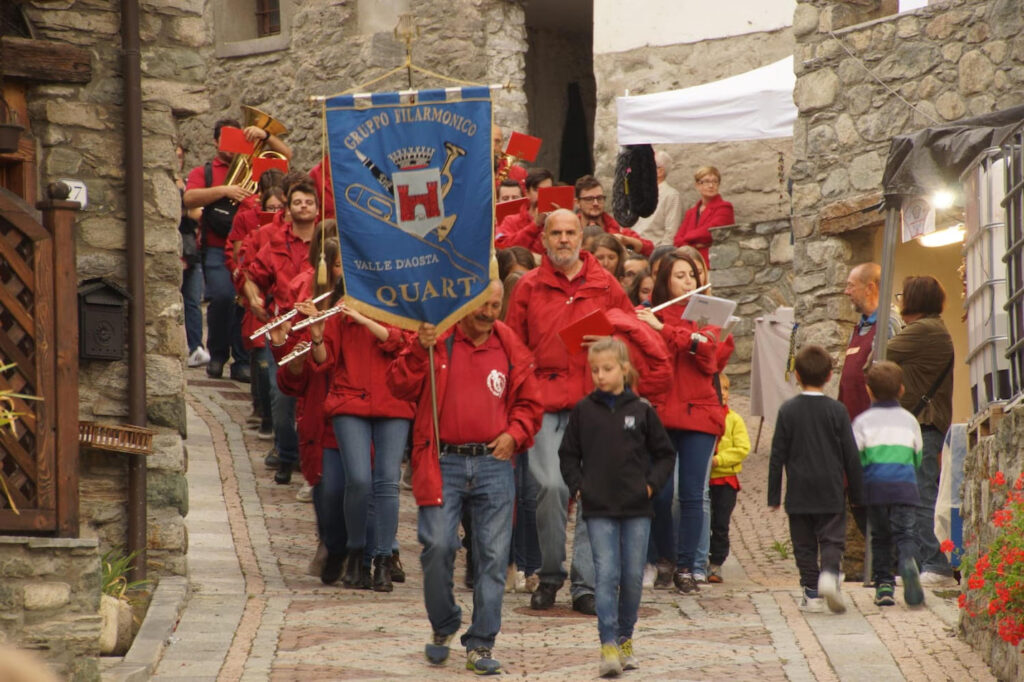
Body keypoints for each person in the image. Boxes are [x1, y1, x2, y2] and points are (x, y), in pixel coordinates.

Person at [387, 280, 543, 676]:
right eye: (483, 304)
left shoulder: (509, 346)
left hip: (494, 462)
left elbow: (529, 403)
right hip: (443, 461)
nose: (490, 313)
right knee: (437, 547)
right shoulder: (437, 338)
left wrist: (515, 433)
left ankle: (481, 642)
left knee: (492, 558)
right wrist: (418, 350)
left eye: (496, 305)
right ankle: (443, 623)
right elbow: (398, 385)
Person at [504, 209, 635, 614]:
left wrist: (611, 338)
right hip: (546, 401)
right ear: (543, 239)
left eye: (570, 232)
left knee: (593, 491)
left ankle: (585, 583)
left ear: (582, 236)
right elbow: (512, 344)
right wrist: (527, 387)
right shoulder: (528, 286)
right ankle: (549, 573)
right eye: (556, 233)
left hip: (595, 401)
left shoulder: (605, 283)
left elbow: (633, 333)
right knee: (550, 487)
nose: (563, 239)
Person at [558, 338, 675, 678]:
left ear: (624, 368)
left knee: (632, 577)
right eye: (594, 370)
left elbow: (665, 453)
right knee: (606, 574)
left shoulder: (641, 409)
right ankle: (607, 642)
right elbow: (568, 454)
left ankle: (626, 637)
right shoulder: (583, 410)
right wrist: (578, 486)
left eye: (607, 369)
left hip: (637, 507)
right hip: (598, 507)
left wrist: (651, 484)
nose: (600, 376)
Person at [309, 270, 413, 592]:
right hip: (349, 400)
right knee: (358, 479)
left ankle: (382, 558)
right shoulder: (342, 307)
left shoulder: (399, 302)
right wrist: (316, 335)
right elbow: (324, 361)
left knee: (386, 480)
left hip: (393, 401)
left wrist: (367, 320)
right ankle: (356, 556)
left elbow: (401, 343)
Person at [636, 253, 731, 594]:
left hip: (699, 413)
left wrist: (665, 331)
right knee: (660, 494)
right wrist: (651, 326)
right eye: (680, 275)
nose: (689, 281)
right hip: (661, 414)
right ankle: (664, 557)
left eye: (691, 274)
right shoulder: (650, 314)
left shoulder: (708, 314)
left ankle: (688, 567)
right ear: (666, 282)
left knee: (692, 494)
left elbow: (709, 356)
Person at [183, 117, 291, 380]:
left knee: (245, 303)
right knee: (221, 298)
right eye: (227, 140)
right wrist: (224, 190)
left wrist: (265, 136)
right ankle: (218, 353)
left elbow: (286, 161)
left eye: (238, 140)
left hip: (253, 249)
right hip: (218, 247)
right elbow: (189, 198)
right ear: (215, 141)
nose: (233, 147)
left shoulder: (255, 164)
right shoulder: (205, 171)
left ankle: (242, 360)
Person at [768, 345, 864, 614]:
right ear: (830, 376)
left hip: (799, 490)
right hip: (831, 488)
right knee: (832, 538)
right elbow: (850, 455)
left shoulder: (787, 411)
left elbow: (777, 455)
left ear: (796, 375)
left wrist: (773, 495)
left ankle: (811, 592)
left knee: (804, 544)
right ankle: (830, 574)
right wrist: (857, 493)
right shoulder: (838, 411)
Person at [243, 182, 320, 485]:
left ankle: (312, 459)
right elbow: (252, 277)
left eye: (309, 202)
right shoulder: (274, 241)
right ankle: (287, 455)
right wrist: (253, 298)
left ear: (316, 208)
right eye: (297, 202)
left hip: (317, 326)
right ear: (289, 209)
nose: (303, 206)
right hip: (284, 328)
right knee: (282, 395)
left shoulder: (327, 241)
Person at [886, 275, 955, 587]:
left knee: (922, 495)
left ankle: (937, 566)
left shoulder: (924, 330)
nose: (899, 300)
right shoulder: (928, 329)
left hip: (924, 423)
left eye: (902, 295)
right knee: (914, 495)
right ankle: (920, 563)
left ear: (913, 299)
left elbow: (879, 354)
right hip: (921, 424)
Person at [852, 361, 925, 607]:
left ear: (869, 391)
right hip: (904, 485)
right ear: (901, 390)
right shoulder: (910, 420)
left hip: (875, 488)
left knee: (880, 537)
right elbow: (918, 455)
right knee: (906, 534)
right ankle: (907, 562)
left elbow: (857, 456)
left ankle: (884, 586)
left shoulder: (862, 421)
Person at [839, 263, 903, 421]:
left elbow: (888, 377)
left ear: (869, 288)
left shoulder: (888, 323)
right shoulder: (860, 327)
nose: (846, 292)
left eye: (851, 286)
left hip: (876, 425)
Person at [707, 373, 750, 584]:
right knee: (705, 523)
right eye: (718, 389)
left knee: (720, 524)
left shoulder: (734, 419)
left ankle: (716, 563)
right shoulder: (705, 417)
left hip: (725, 481)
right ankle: (702, 559)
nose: (722, 393)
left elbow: (742, 448)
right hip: (706, 481)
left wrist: (720, 459)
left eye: (725, 389)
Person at [575, 175, 654, 257]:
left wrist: (626, 240)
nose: (596, 203)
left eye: (599, 198)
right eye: (589, 199)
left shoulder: (618, 231)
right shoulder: (568, 230)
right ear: (577, 202)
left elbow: (650, 249)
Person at [673, 165, 734, 266]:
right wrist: (695, 245)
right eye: (706, 181)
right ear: (697, 185)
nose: (711, 185)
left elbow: (711, 232)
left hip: (712, 262)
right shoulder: (691, 212)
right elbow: (677, 240)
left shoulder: (725, 207)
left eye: (715, 181)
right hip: (689, 262)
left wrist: (687, 238)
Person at [494, 168, 555, 252]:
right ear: (527, 193)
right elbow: (504, 250)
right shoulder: (510, 221)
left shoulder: (557, 221)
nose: (543, 195)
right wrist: (535, 225)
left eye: (547, 191)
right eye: (537, 190)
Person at [631, 151, 682, 247]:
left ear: (660, 171)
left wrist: (661, 256)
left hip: (654, 250)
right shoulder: (638, 192)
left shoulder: (671, 195)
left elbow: (671, 233)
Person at [493, 125, 528, 192]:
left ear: (502, 143)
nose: (493, 148)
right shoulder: (470, 171)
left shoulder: (519, 173)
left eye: (497, 141)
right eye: (488, 141)